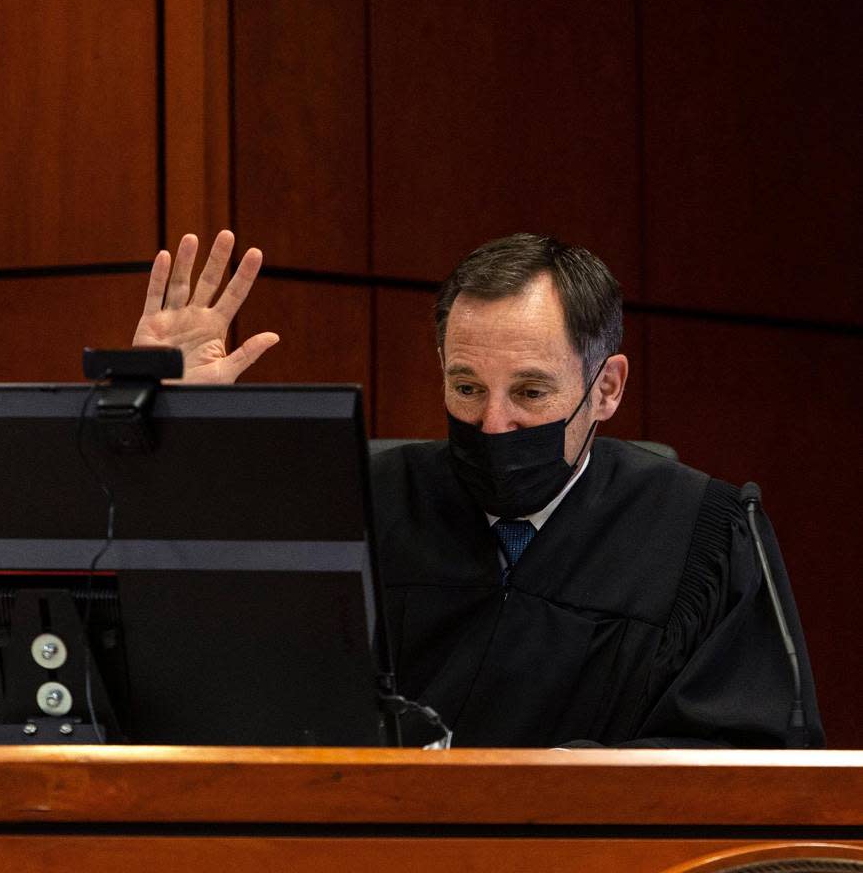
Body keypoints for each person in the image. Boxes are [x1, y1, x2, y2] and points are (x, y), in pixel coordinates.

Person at [133, 230, 824, 748]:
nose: (494, 424)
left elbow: (747, 767)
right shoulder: (358, 506)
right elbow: (203, 669)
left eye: (529, 391)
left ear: (606, 388)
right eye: (466, 388)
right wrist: (176, 442)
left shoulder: (702, 533)